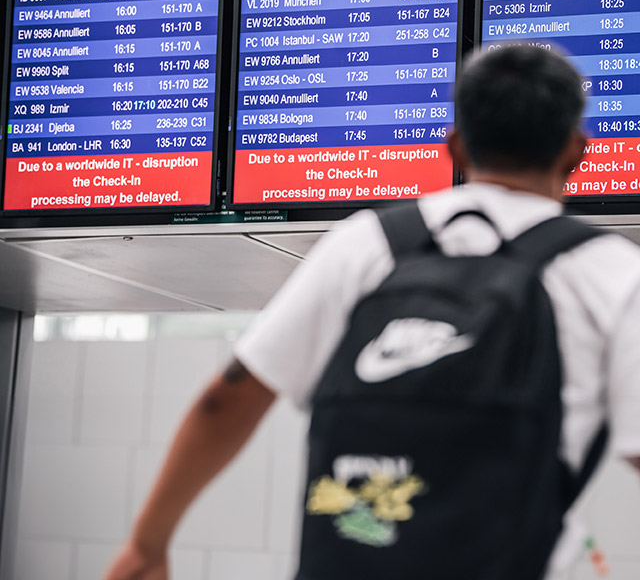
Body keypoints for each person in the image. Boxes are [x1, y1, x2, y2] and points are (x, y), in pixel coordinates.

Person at [103, 45, 640, 580]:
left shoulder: (366, 243)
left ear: (455, 146)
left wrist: (147, 546)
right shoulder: (611, 272)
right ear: (576, 151)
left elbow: (227, 398)